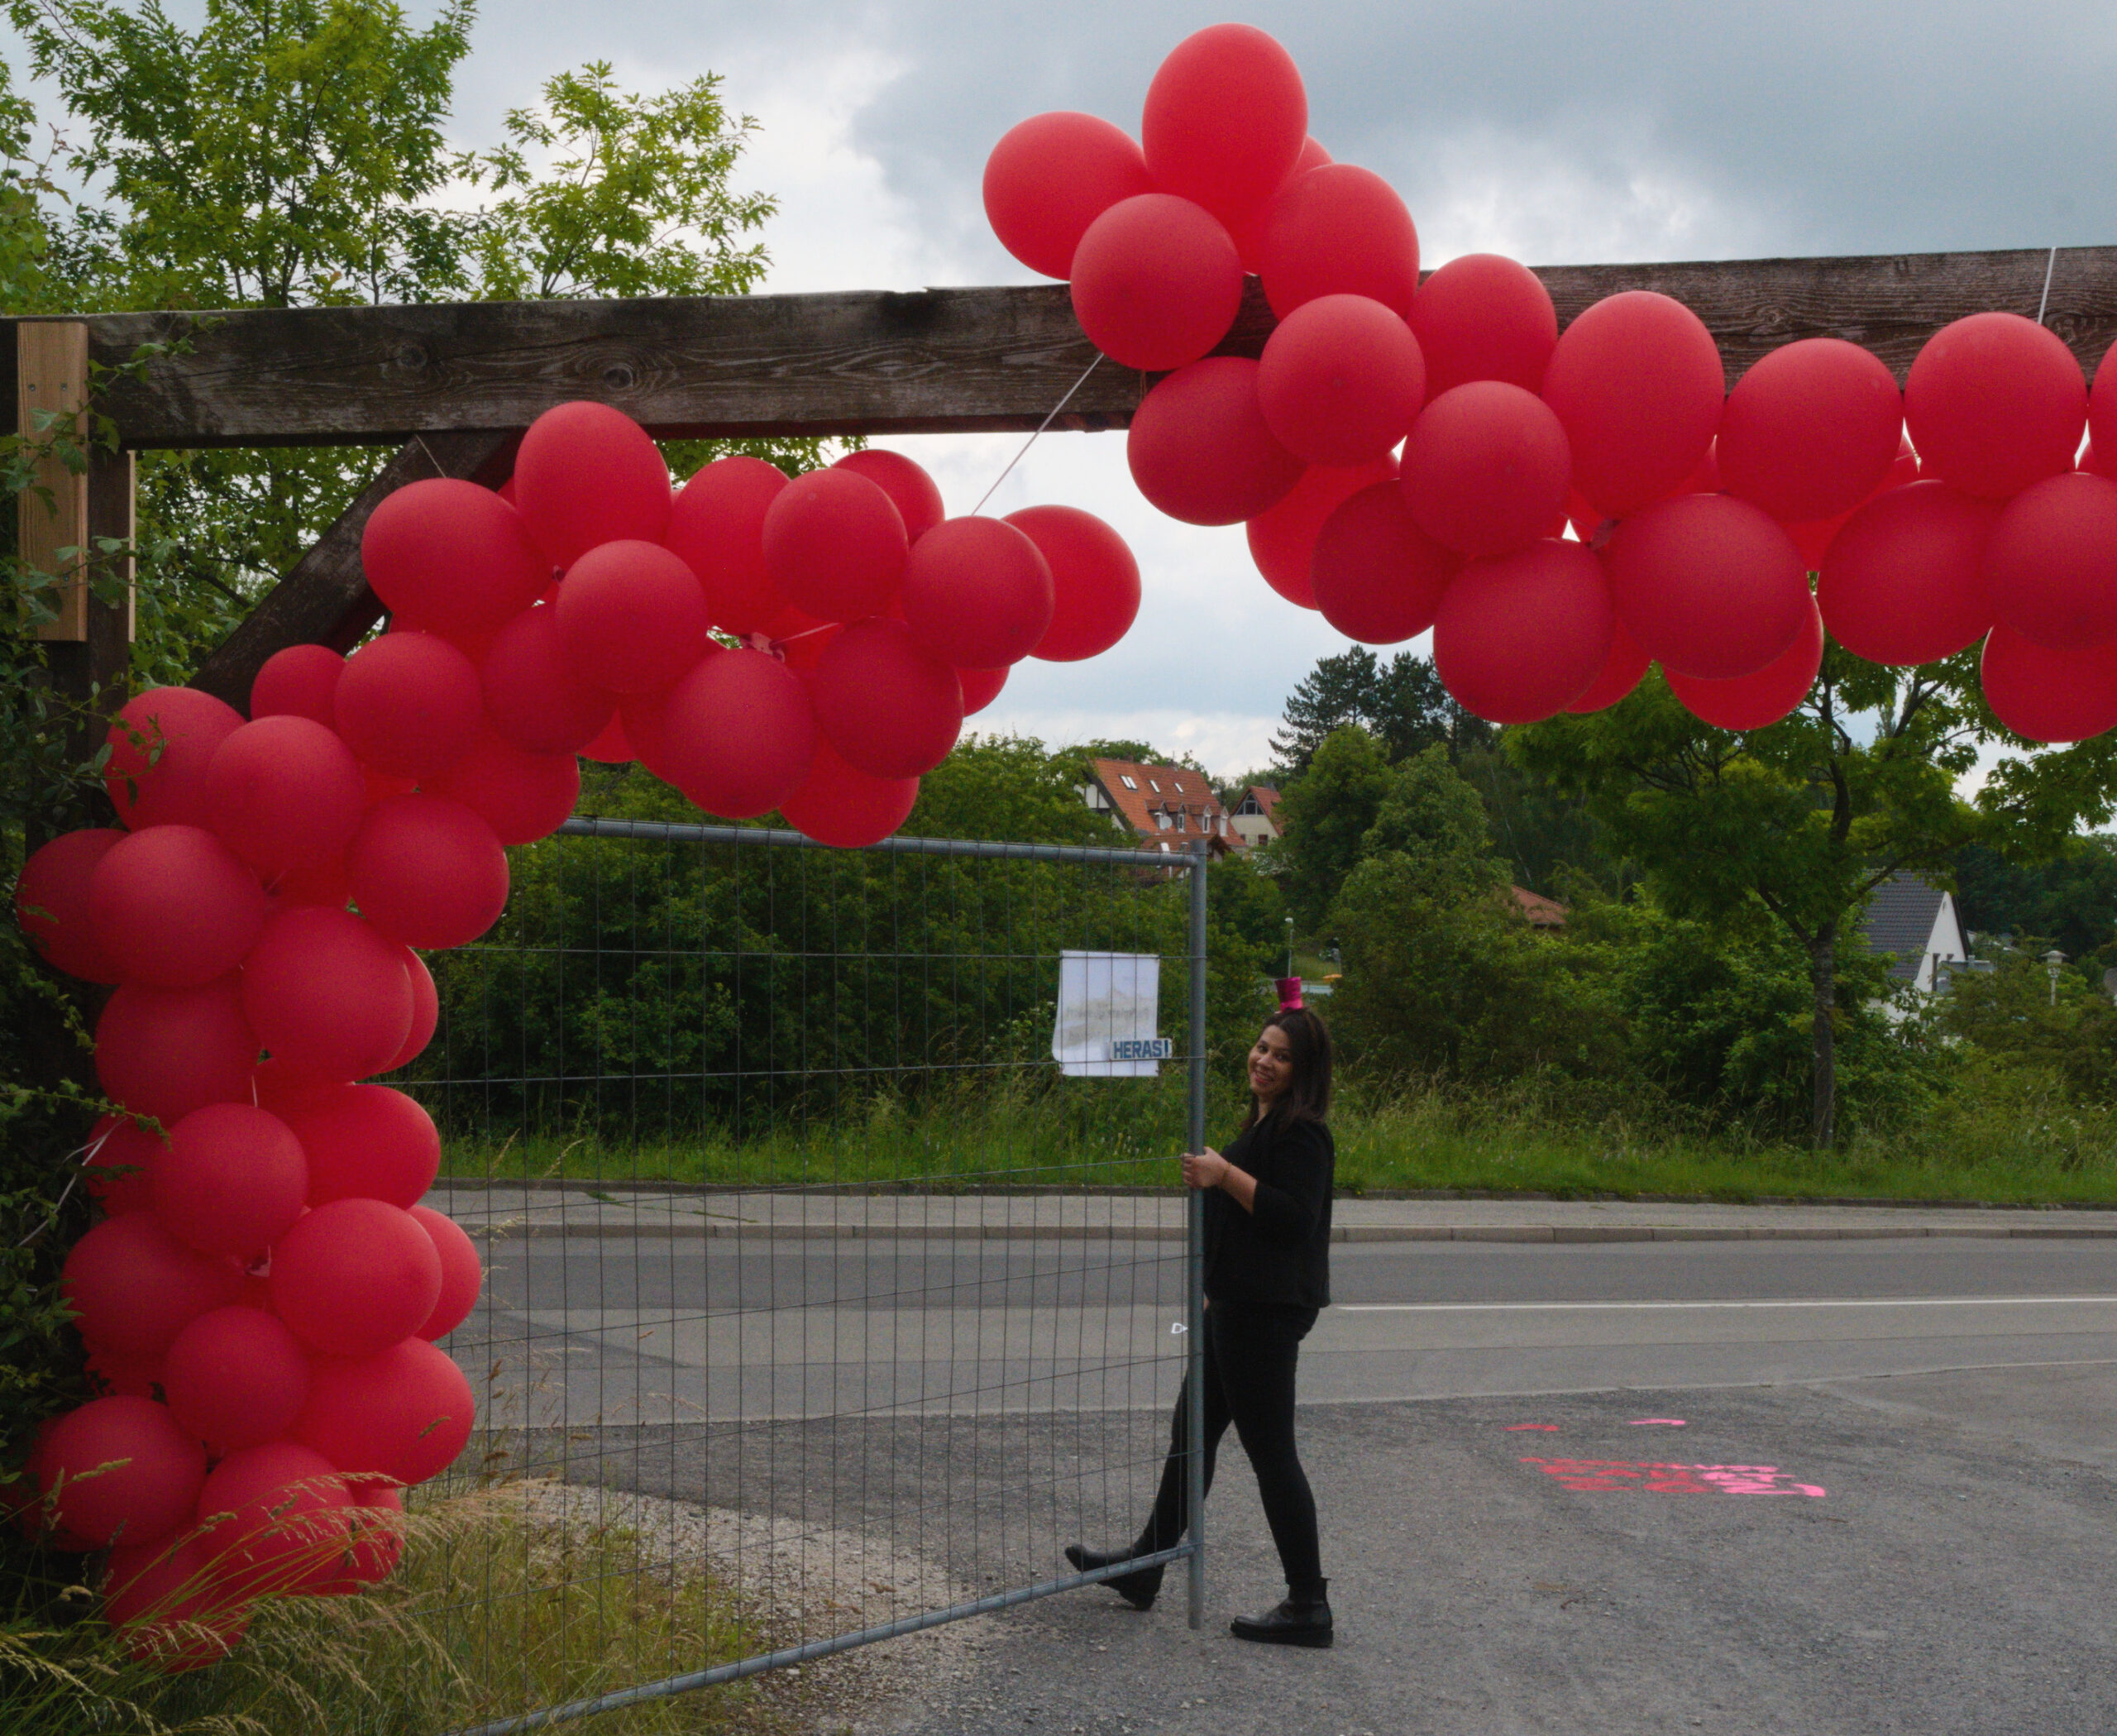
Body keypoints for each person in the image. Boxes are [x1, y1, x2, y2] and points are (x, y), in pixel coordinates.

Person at [1066, 997, 1336, 1648]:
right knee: (1191, 1436)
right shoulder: (1264, 1125)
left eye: (1280, 1055)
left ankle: (1308, 1604)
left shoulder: (1304, 1133)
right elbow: (1245, 1227)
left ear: (1303, 1070)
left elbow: (1291, 1219)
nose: (1264, 1060)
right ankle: (1145, 1567)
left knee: (1272, 1453)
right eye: (1262, 1047)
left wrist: (1224, 1173)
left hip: (1266, 1314)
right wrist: (1216, 1289)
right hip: (1237, 1307)